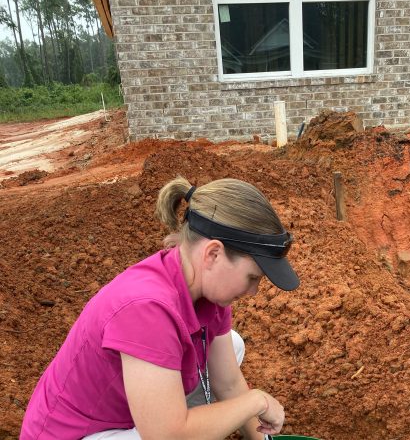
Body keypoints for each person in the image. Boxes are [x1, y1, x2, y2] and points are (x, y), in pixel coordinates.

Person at [21, 176, 300, 440]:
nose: (253, 291)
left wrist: (261, 436)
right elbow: (167, 436)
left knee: (233, 345)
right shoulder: (146, 308)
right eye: (252, 277)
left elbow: (227, 383)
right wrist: (256, 401)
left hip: (125, 422)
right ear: (213, 254)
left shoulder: (205, 289)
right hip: (77, 434)